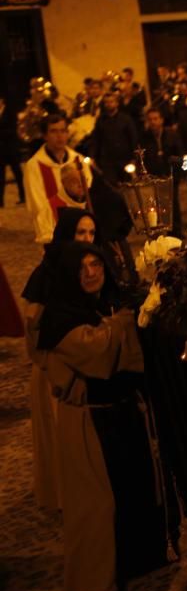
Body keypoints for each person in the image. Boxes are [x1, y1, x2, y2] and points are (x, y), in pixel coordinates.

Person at [37, 242, 177, 591]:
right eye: (81, 266)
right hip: (90, 421)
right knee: (98, 505)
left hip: (124, 411)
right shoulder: (60, 317)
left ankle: (140, 559)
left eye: (95, 264)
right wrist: (127, 321)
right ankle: (98, 580)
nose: (90, 272)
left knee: (134, 488)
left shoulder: (110, 302)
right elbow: (98, 352)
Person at [21, 208, 102, 510]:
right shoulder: (48, 272)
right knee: (60, 441)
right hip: (53, 372)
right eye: (80, 233)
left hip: (83, 365)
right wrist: (51, 367)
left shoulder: (90, 266)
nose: (86, 239)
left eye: (91, 233)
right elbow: (33, 326)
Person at [24, 113, 92, 243]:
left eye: (63, 131)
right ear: (45, 136)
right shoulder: (34, 166)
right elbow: (37, 204)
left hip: (82, 228)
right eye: (53, 131)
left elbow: (88, 194)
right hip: (53, 231)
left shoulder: (79, 161)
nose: (59, 136)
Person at [89, 92, 138, 184]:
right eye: (106, 102)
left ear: (117, 103)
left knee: (128, 185)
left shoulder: (126, 119)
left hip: (125, 159)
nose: (109, 104)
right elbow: (96, 140)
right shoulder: (100, 121)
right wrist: (93, 156)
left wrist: (134, 158)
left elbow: (133, 138)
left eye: (111, 102)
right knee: (112, 186)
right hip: (108, 161)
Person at [0, 98, 26, 209]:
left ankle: (23, 196)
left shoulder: (10, 112)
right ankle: (0, 201)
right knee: (0, 176)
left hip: (11, 148)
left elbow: (12, 129)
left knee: (18, 174)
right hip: (1, 150)